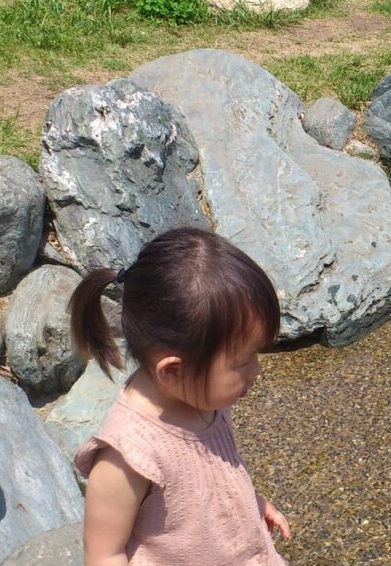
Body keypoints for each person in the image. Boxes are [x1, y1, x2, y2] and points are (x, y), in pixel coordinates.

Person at [69, 227, 291, 564]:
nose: (256, 371)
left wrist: (251, 505)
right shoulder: (128, 456)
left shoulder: (203, 397)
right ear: (173, 370)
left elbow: (212, 480)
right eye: (244, 361)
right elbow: (104, 555)